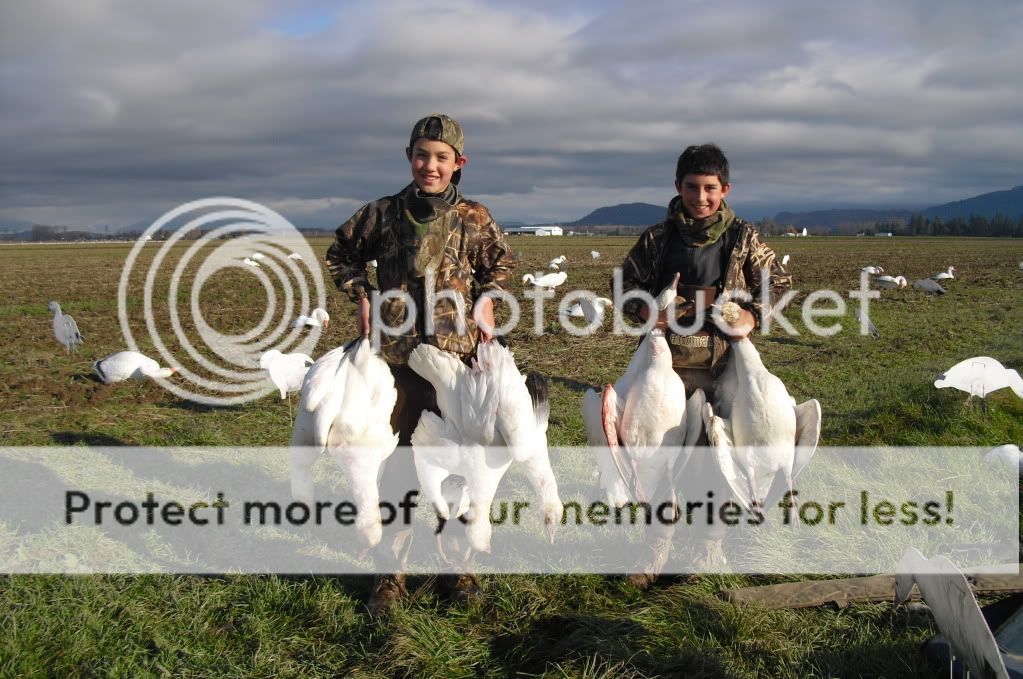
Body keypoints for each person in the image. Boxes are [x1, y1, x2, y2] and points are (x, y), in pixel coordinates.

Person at [326, 113, 516, 614]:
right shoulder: (383, 213)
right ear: (409, 156)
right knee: (396, 465)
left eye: (441, 157)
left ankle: (459, 570)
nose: (430, 166)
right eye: (421, 155)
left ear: (459, 163)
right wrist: (361, 292)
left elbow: (502, 263)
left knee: (460, 465)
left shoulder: (474, 216)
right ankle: (390, 572)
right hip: (397, 363)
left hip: (457, 361)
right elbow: (340, 253)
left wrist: (488, 297)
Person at [615, 143, 791, 588]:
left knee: (719, 458)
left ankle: (709, 545)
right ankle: (659, 543)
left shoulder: (743, 237)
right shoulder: (658, 239)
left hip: (726, 368)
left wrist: (753, 315)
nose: (701, 197)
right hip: (667, 370)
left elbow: (778, 283)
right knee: (662, 455)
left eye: (710, 188)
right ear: (678, 187)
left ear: (725, 189)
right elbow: (624, 284)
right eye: (692, 187)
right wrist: (644, 311)